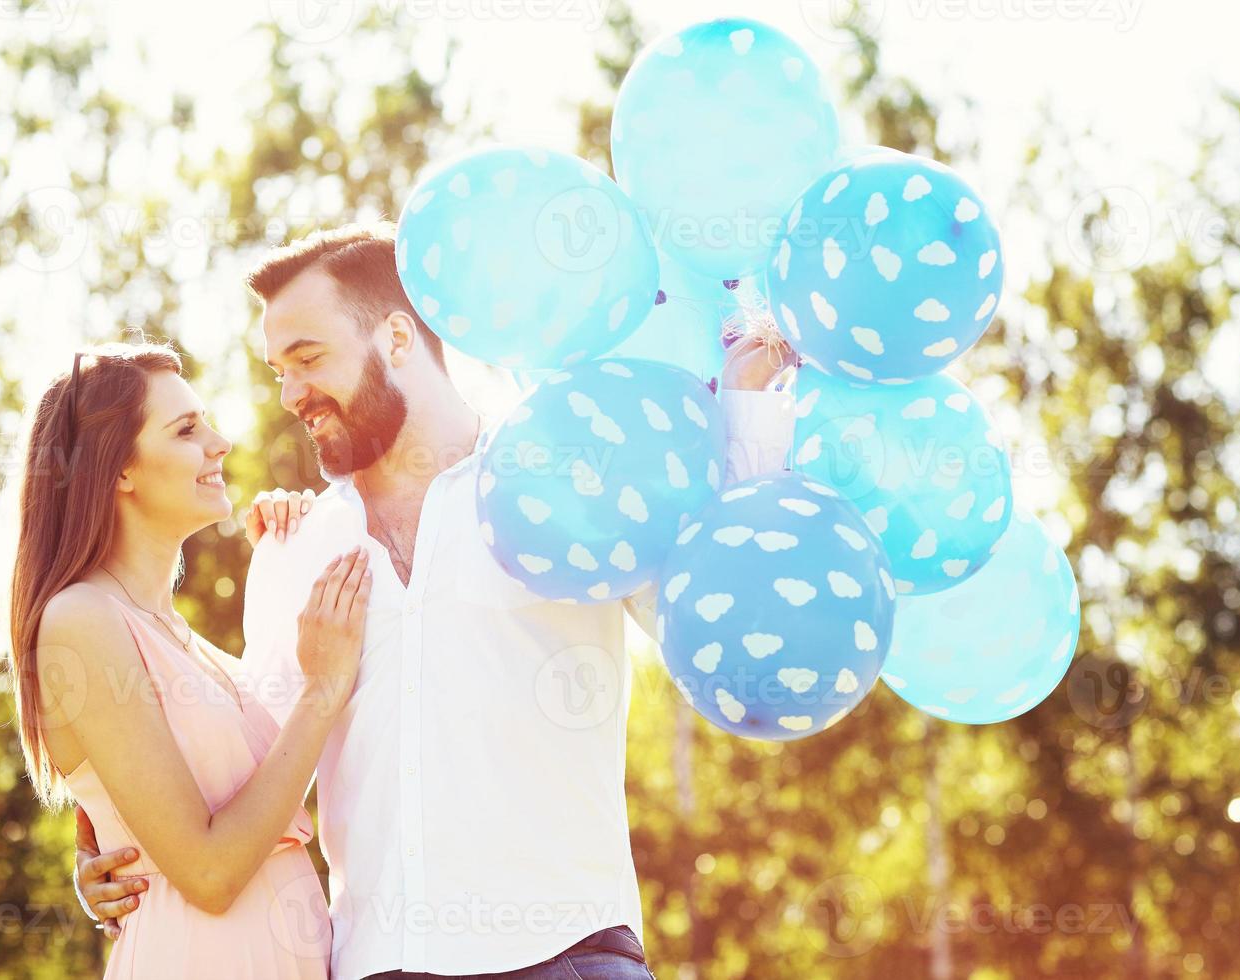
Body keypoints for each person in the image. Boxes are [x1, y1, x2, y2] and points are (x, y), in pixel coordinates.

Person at [76, 225, 797, 979]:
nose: (290, 395)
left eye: (308, 358)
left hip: (569, 956)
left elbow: (713, 625)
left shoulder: (567, 487)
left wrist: (747, 428)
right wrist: (102, 837)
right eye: (277, 370)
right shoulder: (293, 549)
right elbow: (238, 773)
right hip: (376, 967)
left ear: (394, 337)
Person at [7, 341, 372, 977]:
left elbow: (231, 802)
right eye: (186, 429)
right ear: (118, 468)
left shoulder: (185, 642)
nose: (220, 442)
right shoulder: (82, 619)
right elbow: (208, 871)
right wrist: (323, 693)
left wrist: (297, 548)